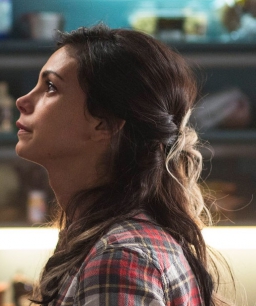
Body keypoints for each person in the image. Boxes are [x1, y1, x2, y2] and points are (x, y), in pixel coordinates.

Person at [14, 24, 232, 305]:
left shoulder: (117, 259)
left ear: (104, 124)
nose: (22, 101)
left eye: (51, 87)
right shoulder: (117, 243)